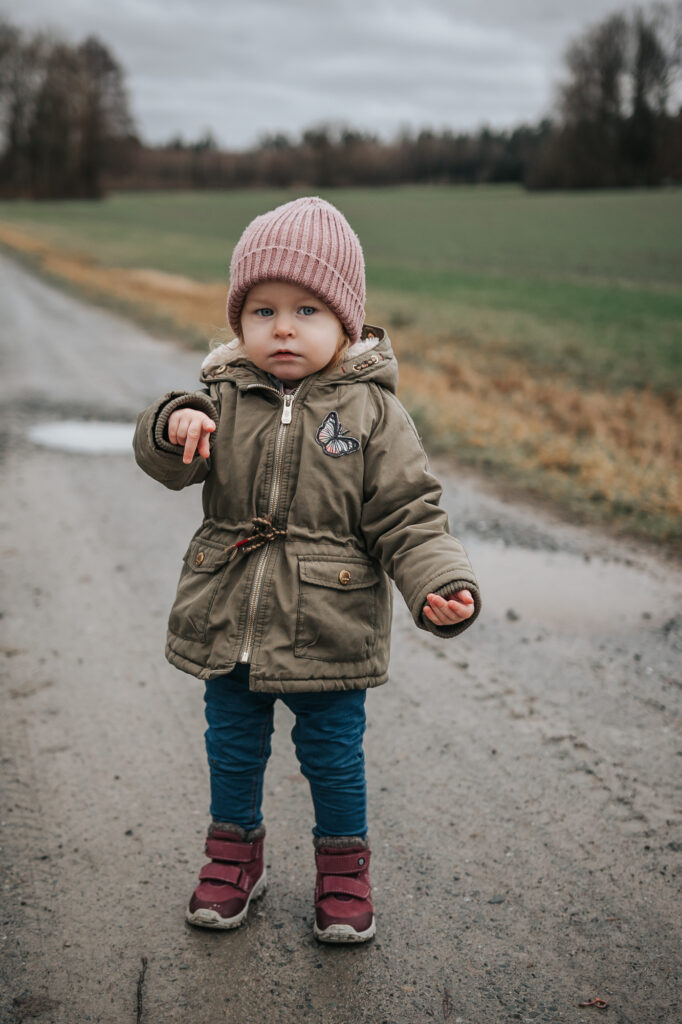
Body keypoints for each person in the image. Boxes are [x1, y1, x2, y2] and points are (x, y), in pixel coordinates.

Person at [133, 196, 481, 944]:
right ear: (239, 322)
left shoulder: (372, 413)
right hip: (230, 620)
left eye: (306, 310)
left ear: (346, 322)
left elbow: (409, 515)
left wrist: (437, 584)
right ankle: (235, 859)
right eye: (262, 311)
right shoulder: (221, 396)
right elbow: (164, 463)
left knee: (331, 755)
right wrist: (173, 424)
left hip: (329, 625)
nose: (283, 327)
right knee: (231, 749)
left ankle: (344, 874)